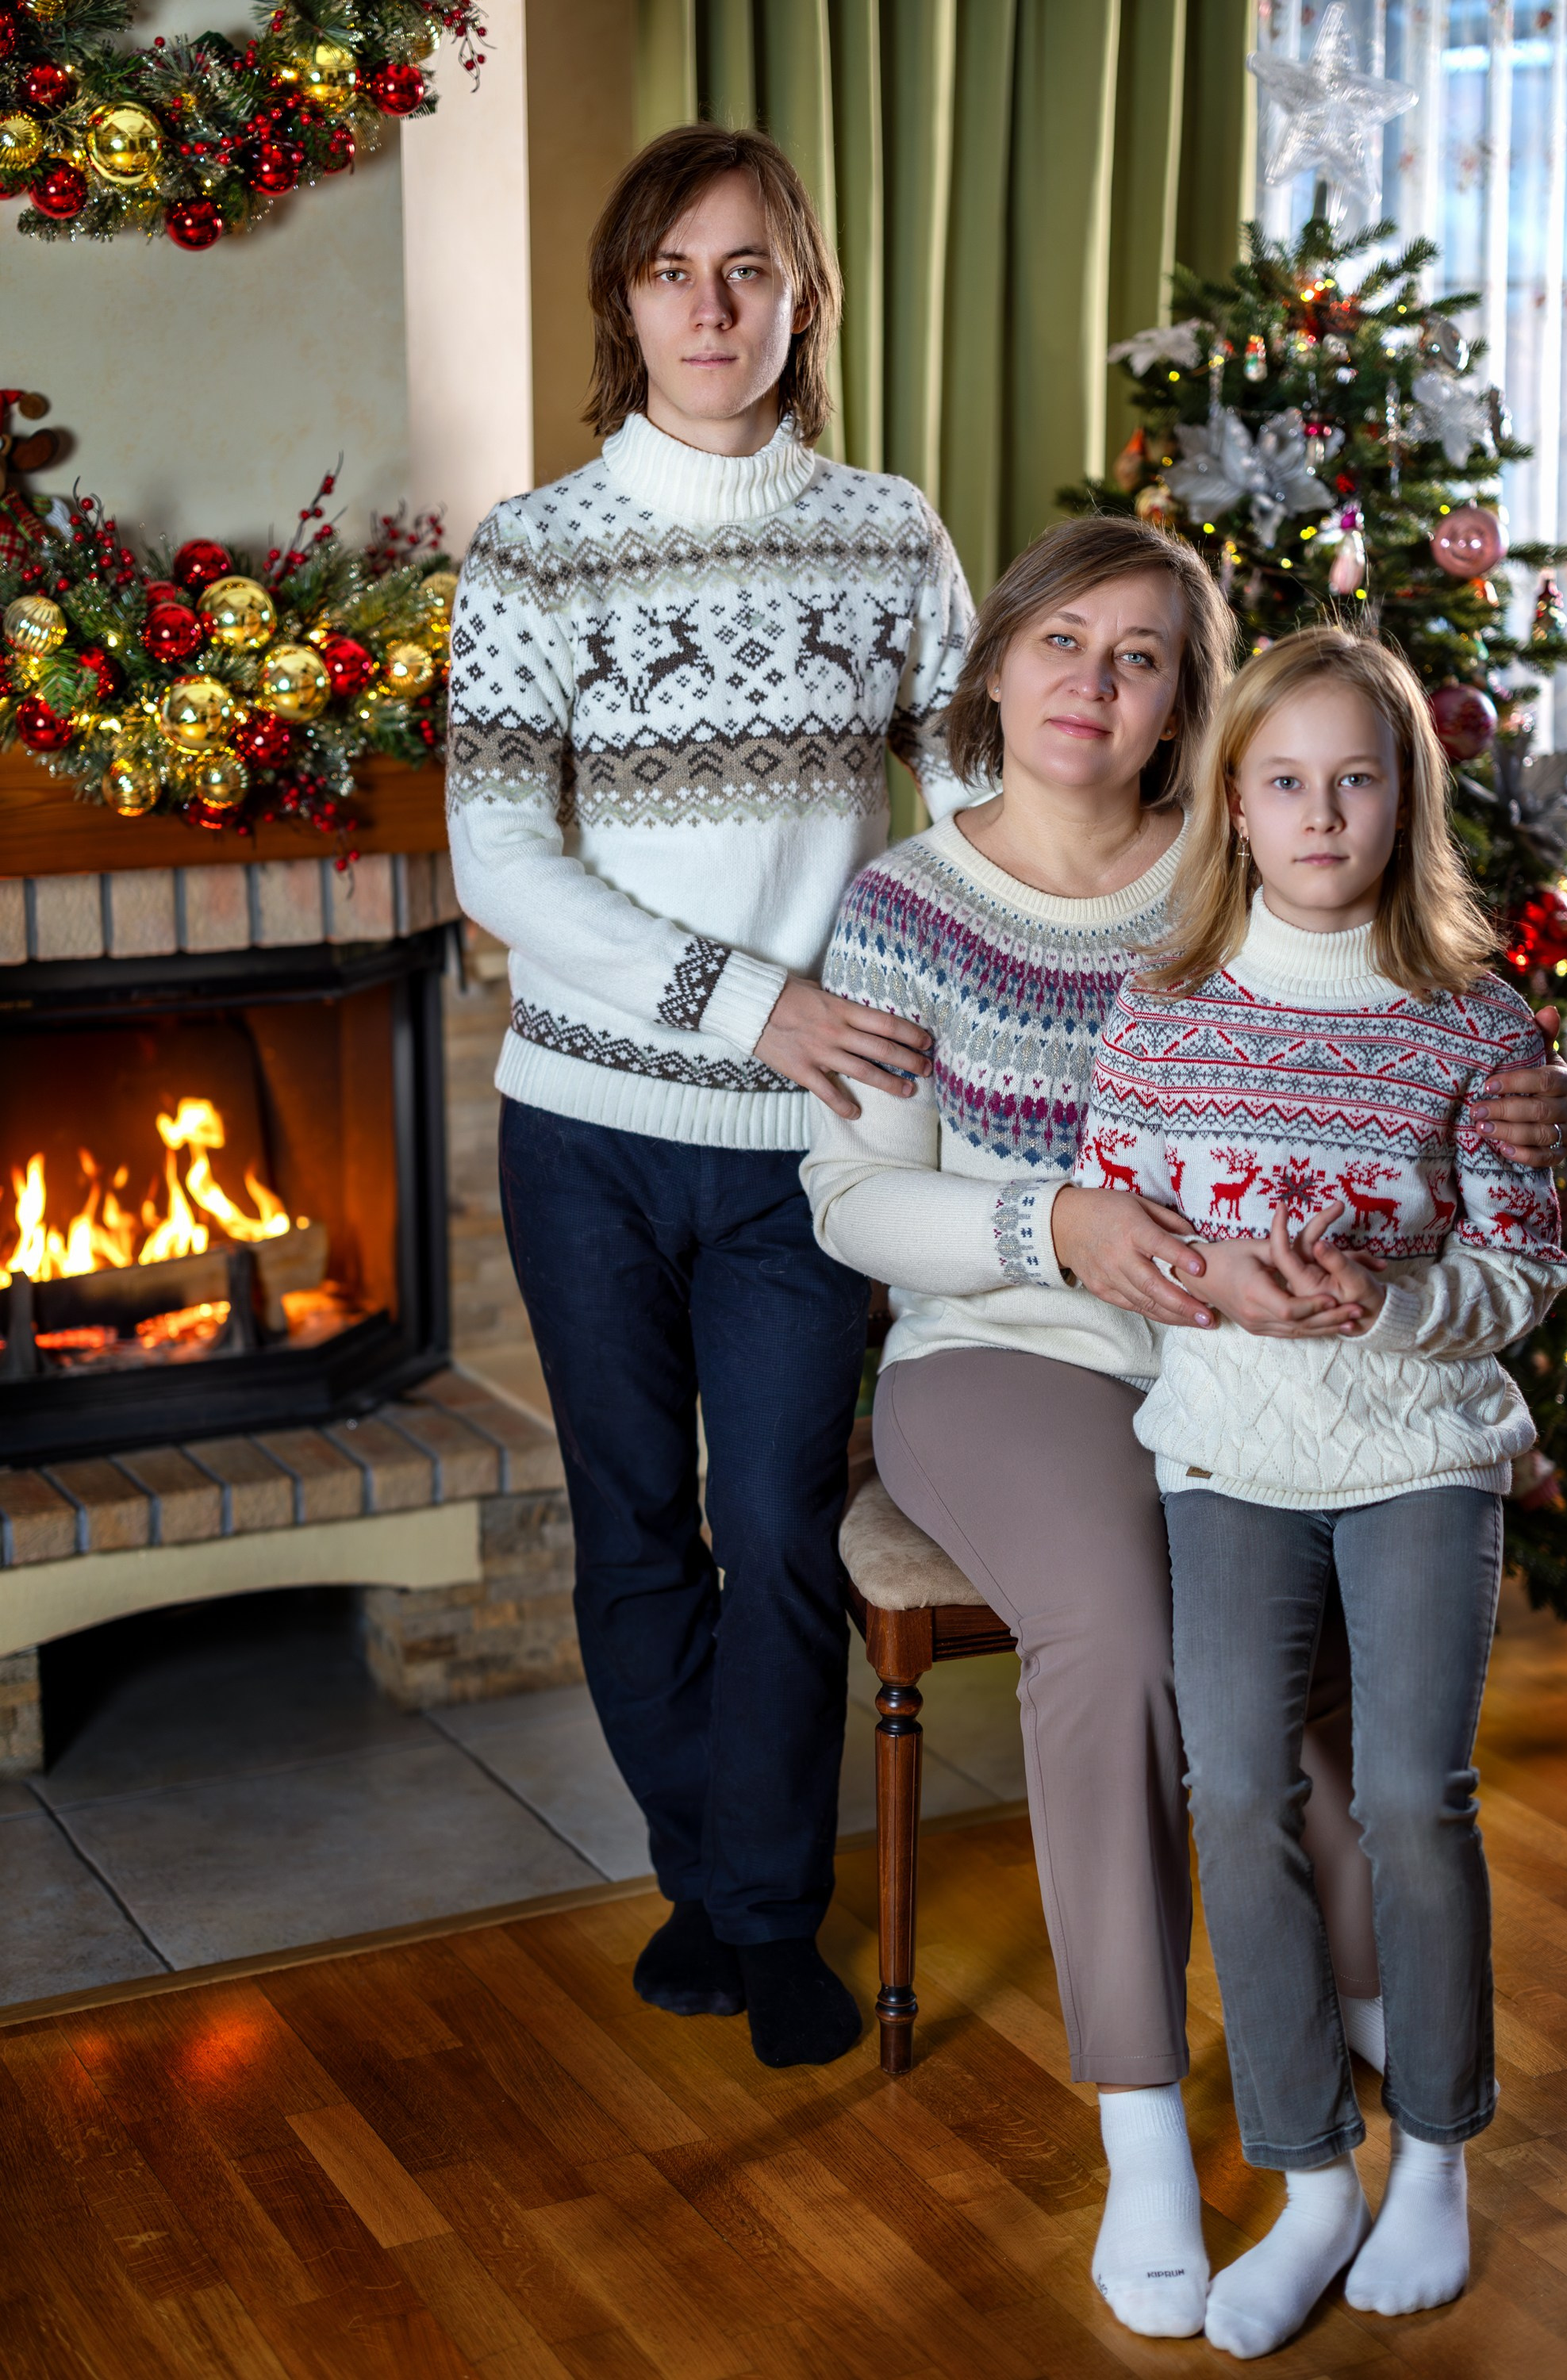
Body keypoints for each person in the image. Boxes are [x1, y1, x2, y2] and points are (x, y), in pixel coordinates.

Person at [801, 518, 1567, 2340]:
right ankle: (1146, 2122)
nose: (1094, 681)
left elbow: (1425, 1025)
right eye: (1062, 641)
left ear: (1192, 719)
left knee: (1296, 1679)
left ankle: (1379, 2006)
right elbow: (849, 1197)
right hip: (1009, 1345)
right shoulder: (909, 903)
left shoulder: (1242, 859)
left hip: (1266, 1367)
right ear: (994, 667)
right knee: (1138, 1637)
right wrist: (1053, 1226)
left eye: (1143, 656)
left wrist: (1541, 1101)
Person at [444, 124, 973, 2068]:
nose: (710, 306)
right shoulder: (535, 550)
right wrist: (746, 999)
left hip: (808, 1151)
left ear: (802, 299)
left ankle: (760, 1905)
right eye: (673, 269)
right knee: (632, 1529)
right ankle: (723, 1885)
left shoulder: (889, 528)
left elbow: (980, 807)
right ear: (625, 302)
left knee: (775, 1518)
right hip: (587, 1128)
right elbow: (500, 862)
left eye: (748, 267)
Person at [1076, 626, 1567, 2357]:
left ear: (1403, 798)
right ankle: (1310, 2176)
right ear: (1232, 801)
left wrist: (1393, 1300)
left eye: (1355, 778)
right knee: (1231, 1795)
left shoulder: (1474, 1021)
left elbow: (1521, 1270)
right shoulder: (1159, 1008)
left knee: (1413, 1800)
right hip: (1230, 1453)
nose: (1319, 810)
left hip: (1419, 1452)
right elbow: (1113, 1234)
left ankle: (1434, 2150)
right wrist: (1213, 1281)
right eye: (1283, 779)